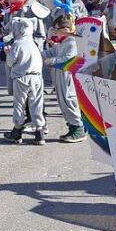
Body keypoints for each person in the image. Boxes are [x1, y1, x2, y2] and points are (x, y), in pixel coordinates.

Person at [41, 14, 85, 143]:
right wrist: (39, 54)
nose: (55, 33)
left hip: (68, 78)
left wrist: (52, 61)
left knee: (69, 100)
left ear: (65, 30)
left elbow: (69, 58)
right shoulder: (62, 42)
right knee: (63, 102)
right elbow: (52, 52)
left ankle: (78, 129)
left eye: (56, 30)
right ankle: (72, 127)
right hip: (60, 77)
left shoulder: (72, 42)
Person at [2, 18, 46, 144]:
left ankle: (17, 131)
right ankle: (39, 132)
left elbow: (11, 62)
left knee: (20, 104)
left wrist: (7, 52)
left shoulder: (17, 44)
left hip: (22, 77)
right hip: (36, 77)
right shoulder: (33, 44)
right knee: (37, 103)